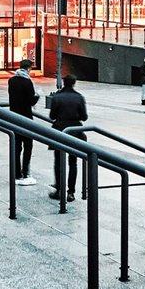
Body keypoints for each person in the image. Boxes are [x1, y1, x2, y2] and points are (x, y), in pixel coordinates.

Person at [48, 74, 89, 202]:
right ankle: (71, 192)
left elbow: (52, 115)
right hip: (75, 131)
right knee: (73, 162)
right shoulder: (79, 97)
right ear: (74, 83)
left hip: (59, 130)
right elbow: (84, 117)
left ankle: (59, 190)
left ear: (64, 83)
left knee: (58, 161)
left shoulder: (57, 97)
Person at [7, 59, 38, 184]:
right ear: (28, 68)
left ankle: (16, 173)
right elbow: (31, 101)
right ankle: (25, 171)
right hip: (26, 118)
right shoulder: (27, 82)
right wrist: (37, 96)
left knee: (16, 146)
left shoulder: (11, 80)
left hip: (14, 117)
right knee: (28, 146)